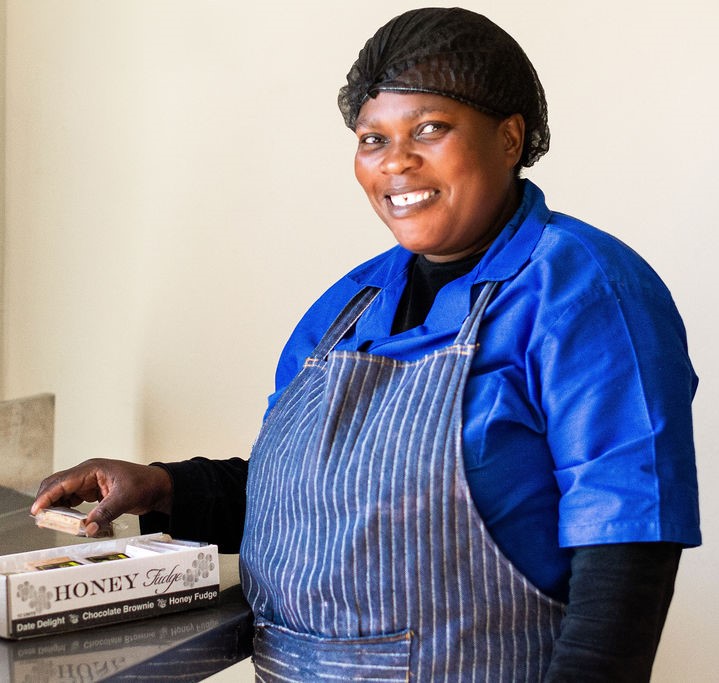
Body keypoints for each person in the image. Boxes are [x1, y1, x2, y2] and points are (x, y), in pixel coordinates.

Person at [32, 7, 700, 682]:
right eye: (371, 138)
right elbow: (312, 504)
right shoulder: (345, 308)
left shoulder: (586, 291)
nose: (396, 162)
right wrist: (165, 486)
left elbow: (627, 554)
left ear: (508, 137)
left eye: (429, 129)